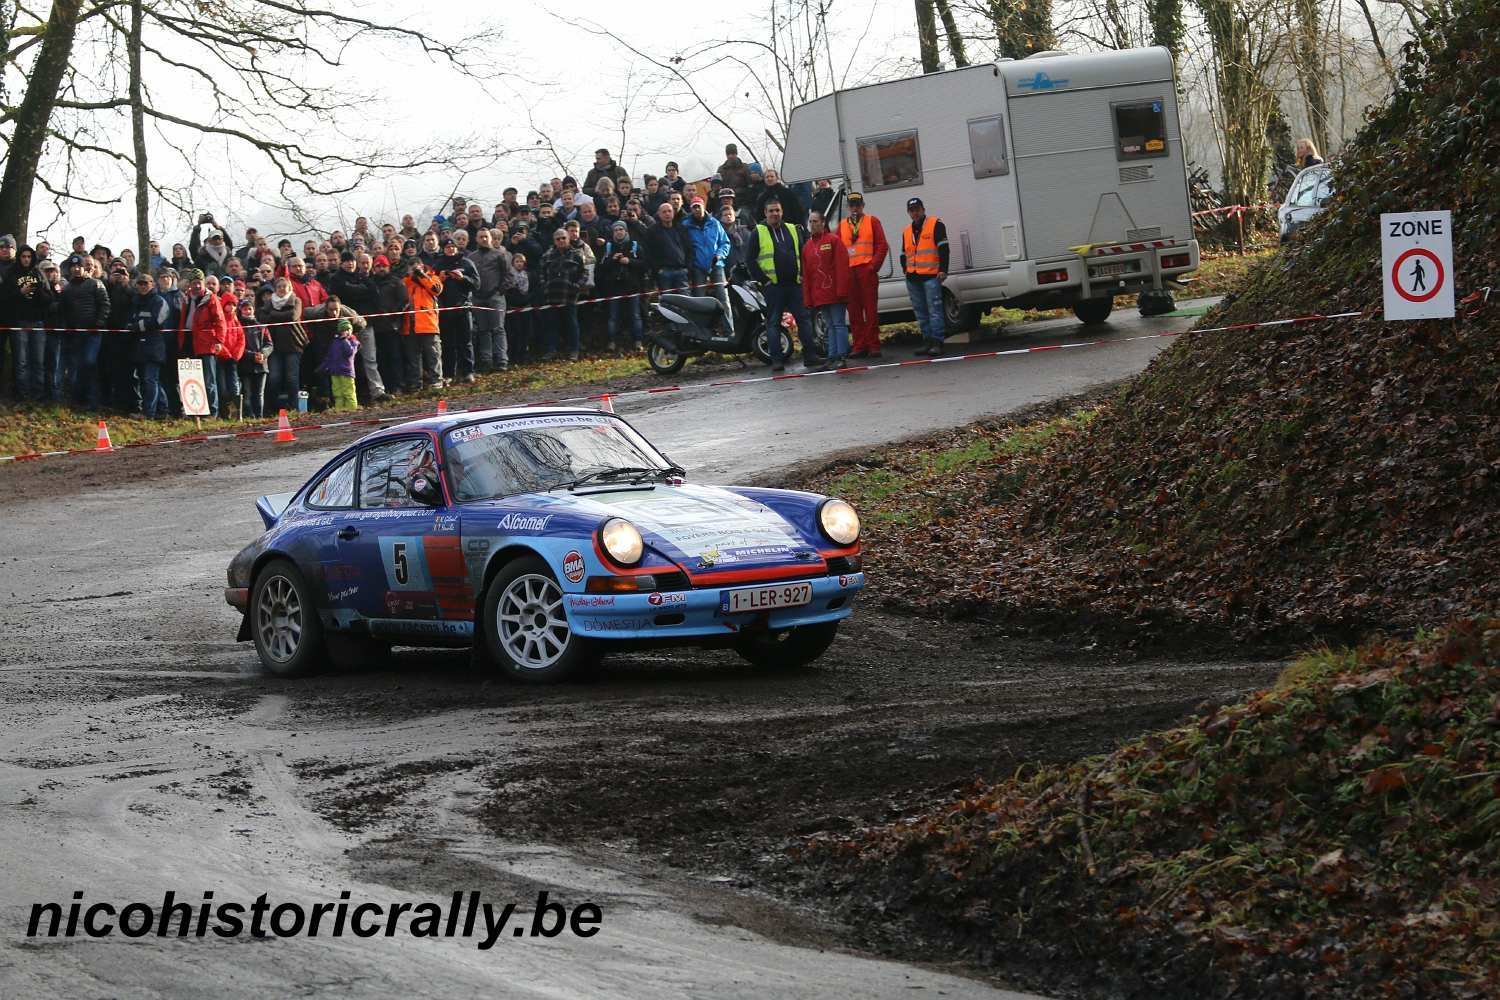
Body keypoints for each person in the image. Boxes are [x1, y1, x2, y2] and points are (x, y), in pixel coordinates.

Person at [749, 198, 817, 372]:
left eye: (777, 210)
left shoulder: (794, 230)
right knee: (773, 323)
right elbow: (750, 260)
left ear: (782, 212)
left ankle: (810, 356)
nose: (775, 214)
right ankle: (777, 360)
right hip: (773, 287)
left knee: (804, 320)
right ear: (765, 213)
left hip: (794, 284)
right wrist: (764, 281)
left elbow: (802, 254)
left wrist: (802, 275)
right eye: (771, 211)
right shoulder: (758, 231)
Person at [838, 192, 889, 359]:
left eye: (858, 205)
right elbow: (838, 251)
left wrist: (873, 266)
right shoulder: (842, 225)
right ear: (848, 207)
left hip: (866, 271)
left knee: (871, 311)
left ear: (863, 205)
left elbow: (882, 245)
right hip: (849, 273)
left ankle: (874, 345)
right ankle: (860, 345)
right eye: (852, 205)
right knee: (853, 312)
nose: (855, 208)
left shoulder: (872, 221)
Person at [58, 254, 111, 409]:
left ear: (84, 268)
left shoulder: (95, 283)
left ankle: (93, 400)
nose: (76, 269)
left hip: (93, 333)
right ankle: (79, 400)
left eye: (78, 266)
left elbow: (105, 305)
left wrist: (99, 323)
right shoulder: (67, 288)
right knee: (77, 367)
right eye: (73, 267)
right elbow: (63, 309)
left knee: (89, 362)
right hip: (75, 333)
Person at [802, 209, 851, 370]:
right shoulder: (807, 246)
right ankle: (832, 356)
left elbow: (842, 267)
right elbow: (807, 274)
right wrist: (809, 297)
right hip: (821, 294)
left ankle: (841, 356)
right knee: (829, 326)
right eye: (810, 222)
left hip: (835, 292)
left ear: (823, 223)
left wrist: (842, 290)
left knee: (838, 324)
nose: (812, 224)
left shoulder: (833, 241)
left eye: (815, 221)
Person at [901, 196, 949, 356]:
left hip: (931, 275)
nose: (915, 213)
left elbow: (944, 248)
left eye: (917, 209)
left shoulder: (936, 224)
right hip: (913, 278)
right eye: (912, 210)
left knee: (934, 310)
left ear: (923, 209)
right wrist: (905, 270)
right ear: (908, 212)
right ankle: (927, 341)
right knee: (920, 312)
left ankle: (937, 342)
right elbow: (903, 253)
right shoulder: (907, 231)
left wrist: (943, 269)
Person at [176, 268, 227, 415]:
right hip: (188, 341)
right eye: (194, 283)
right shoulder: (187, 298)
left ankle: (212, 411)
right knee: (190, 379)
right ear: (190, 284)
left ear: (203, 283)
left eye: (199, 282)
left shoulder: (211, 299)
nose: (197, 286)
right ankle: (194, 411)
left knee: (208, 379)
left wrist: (219, 341)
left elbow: (220, 321)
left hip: (206, 343)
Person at [6, 245, 53, 400]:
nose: (26, 259)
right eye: (23, 256)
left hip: (38, 322)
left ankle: (37, 395)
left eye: (29, 256)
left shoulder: (39, 273)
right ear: (19, 258)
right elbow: (5, 298)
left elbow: (49, 299)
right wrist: (20, 293)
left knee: (38, 360)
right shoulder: (11, 273)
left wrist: (39, 291)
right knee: (21, 361)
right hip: (19, 321)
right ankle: (23, 395)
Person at [596, 220, 648, 353]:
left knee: (635, 315)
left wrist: (629, 261)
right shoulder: (608, 247)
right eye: (616, 230)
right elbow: (601, 267)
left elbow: (644, 265)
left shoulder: (635, 245)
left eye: (621, 229)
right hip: (614, 287)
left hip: (632, 287)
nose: (618, 232)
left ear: (626, 231)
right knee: (613, 316)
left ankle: (638, 340)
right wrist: (612, 260)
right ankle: (612, 341)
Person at [433, 236, 479, 383]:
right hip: (445, 310)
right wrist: (439, 280)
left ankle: (468, 372)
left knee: (466, 342)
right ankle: (449, 374)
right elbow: (431, 288)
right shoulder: (438, 265)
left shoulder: (466, 263)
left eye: (453, 247)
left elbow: (477, 284)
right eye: (447, 247)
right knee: (447, 344)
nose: (450, 249)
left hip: (463, 308)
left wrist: (463, 278)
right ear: (443, 249)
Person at [682, 196, 732, 330]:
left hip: (717, 265)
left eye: (699, 206)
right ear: (691, 209)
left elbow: (725, 243)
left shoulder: (714, 223)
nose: (697, 209)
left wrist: (720, 255)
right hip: (698, 267)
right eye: (694, 207)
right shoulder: (686, 225)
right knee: (699, 300)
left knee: (723, 298)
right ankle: (702, 331)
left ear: (704, 206)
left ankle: (729, 329)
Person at [468, 227, 513, 373]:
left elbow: (509, 275)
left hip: (495, 297)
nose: (484, 239)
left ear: (491, 238)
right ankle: (486, 360)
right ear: (476, 239)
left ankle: (501, 360)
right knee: (483, 330)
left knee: (498, 329)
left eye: (486, 237)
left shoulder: (500, 254)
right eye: (481, 237)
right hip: (478, 297)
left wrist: (500, 291)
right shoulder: (471, 257)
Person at [260, 274, 306, 413]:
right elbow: (262, 318)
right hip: (275, 347)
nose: (281, 289)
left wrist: (273, 315)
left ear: (289, 288)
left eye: (284, 286)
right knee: (274, 378)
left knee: (292, 378)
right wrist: (278, 316)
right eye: (278, 287)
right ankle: (275, 409)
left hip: (293, 345)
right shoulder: (269, 303)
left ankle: (294, 408)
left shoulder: (296, 300)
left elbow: (293, 316)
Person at [127, 272, 171, 418]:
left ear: (152, 284)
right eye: (140, 284)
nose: (143, 286)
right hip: (138, 347)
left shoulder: (159, 301)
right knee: (151, 380)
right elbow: (130, 320)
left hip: (154, 346)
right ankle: (162, 410)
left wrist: (137, 325)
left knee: (150, 380)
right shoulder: (134, 301)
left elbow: (157, 320)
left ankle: (149, 413)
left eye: (146, 283)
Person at [539, 228, 586, 361]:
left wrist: (577, 286)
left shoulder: (577, 254)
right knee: (551, 325)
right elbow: (541, 273)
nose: (561, 241)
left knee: (572, 324)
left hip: (569, 295)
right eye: (558, 239)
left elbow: (584, 273)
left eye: (563, 238)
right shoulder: (547, 256)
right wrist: (544, 285)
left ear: (568, 238)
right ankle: (551, 350)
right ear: (554, 240)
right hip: (551, 296)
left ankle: (574, 351)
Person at [368, 254, 411, 392]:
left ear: (389, 267)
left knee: (395, 357)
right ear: (374, 268)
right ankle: (386, 386)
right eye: (378, 266)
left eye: (384, 266)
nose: (381, 269)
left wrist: (393, 314)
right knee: (381, 358)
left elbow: (404, 301)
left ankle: (399, 385)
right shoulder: (370, 283)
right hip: (376, 327)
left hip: (393, 326)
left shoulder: (396, 282)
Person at [402, 258, 444, 390]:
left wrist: (422, 275)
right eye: (411, 268)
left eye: (416, 267)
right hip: (409, 325)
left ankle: (436, 381)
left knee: (433, 354)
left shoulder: (432, 278)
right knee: (413, 357)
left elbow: (436, 290)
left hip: (428, 324)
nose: (414, 270)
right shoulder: (405, 283)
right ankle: (415, 384)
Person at [238, 294, 273, 419]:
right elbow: (239, 346)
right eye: (244, 309)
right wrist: (252, 355)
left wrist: (263, 354)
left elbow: (269, 344)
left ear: (253, 310)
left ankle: (259, 417)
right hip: (245, 365)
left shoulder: (261, 327)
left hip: (261, 365)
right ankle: (249, 417)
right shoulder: (238, 327)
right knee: (247, 393)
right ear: (241, 310)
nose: (247, 311)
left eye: (249, 309)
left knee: (259, 394)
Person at [645, 202, 691, 294]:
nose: (667, 214)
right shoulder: (652, 231)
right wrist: (657, 269)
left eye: (669, 211)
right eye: (664, 212)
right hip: (664, 272)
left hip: (681, 270)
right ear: (659, 214)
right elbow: (649, 252)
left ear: (673, 213)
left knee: (685, 301)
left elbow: (688, 248)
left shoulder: (681, 228)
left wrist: (688, 267)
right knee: (667, 303)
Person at [319, 318, 359, 410]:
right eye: (344, 330)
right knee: (337, 393)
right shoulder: (335, 341)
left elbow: (349, 352)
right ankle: (339, 409)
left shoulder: (353, 341)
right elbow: (330, 356)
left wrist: (345, 340)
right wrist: (323, 367)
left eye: (348, 329)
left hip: (347, 372)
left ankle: (352, 409)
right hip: (335, 372)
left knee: (348, 392)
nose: (347, 332)